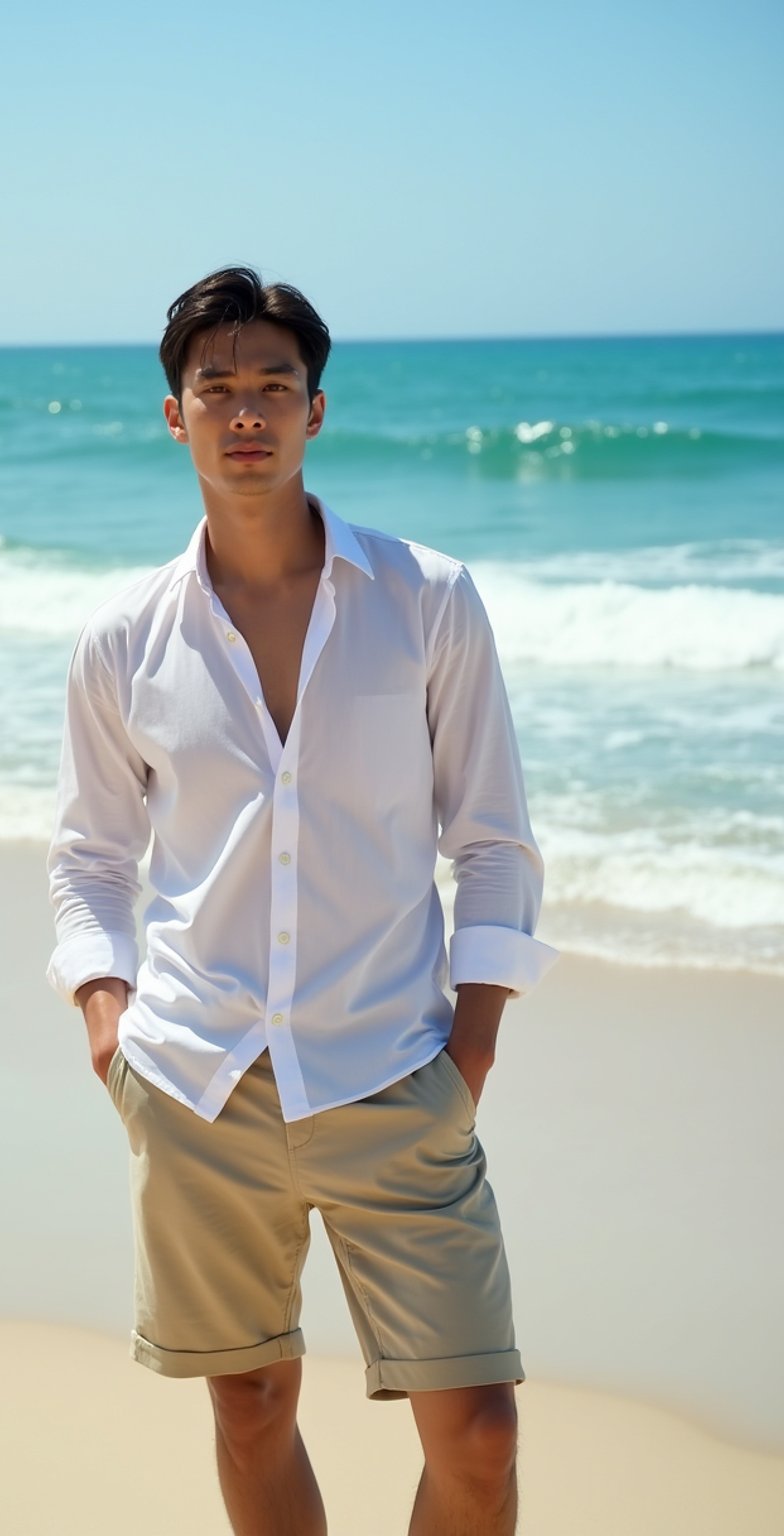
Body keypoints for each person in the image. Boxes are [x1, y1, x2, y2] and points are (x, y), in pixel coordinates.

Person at [46, 266, 557, 1535]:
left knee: (480, 1438)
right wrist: (110, 1025)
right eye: (215, 388)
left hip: (395, 1068)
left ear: (316, 409)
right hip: (198, 1077)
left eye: (273, 384)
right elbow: (91, 858)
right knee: (252, 1407)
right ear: (175, 417)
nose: (245, 412)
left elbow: (493, 841)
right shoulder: (123, 635)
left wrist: (473, 1044)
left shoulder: (425, 600)